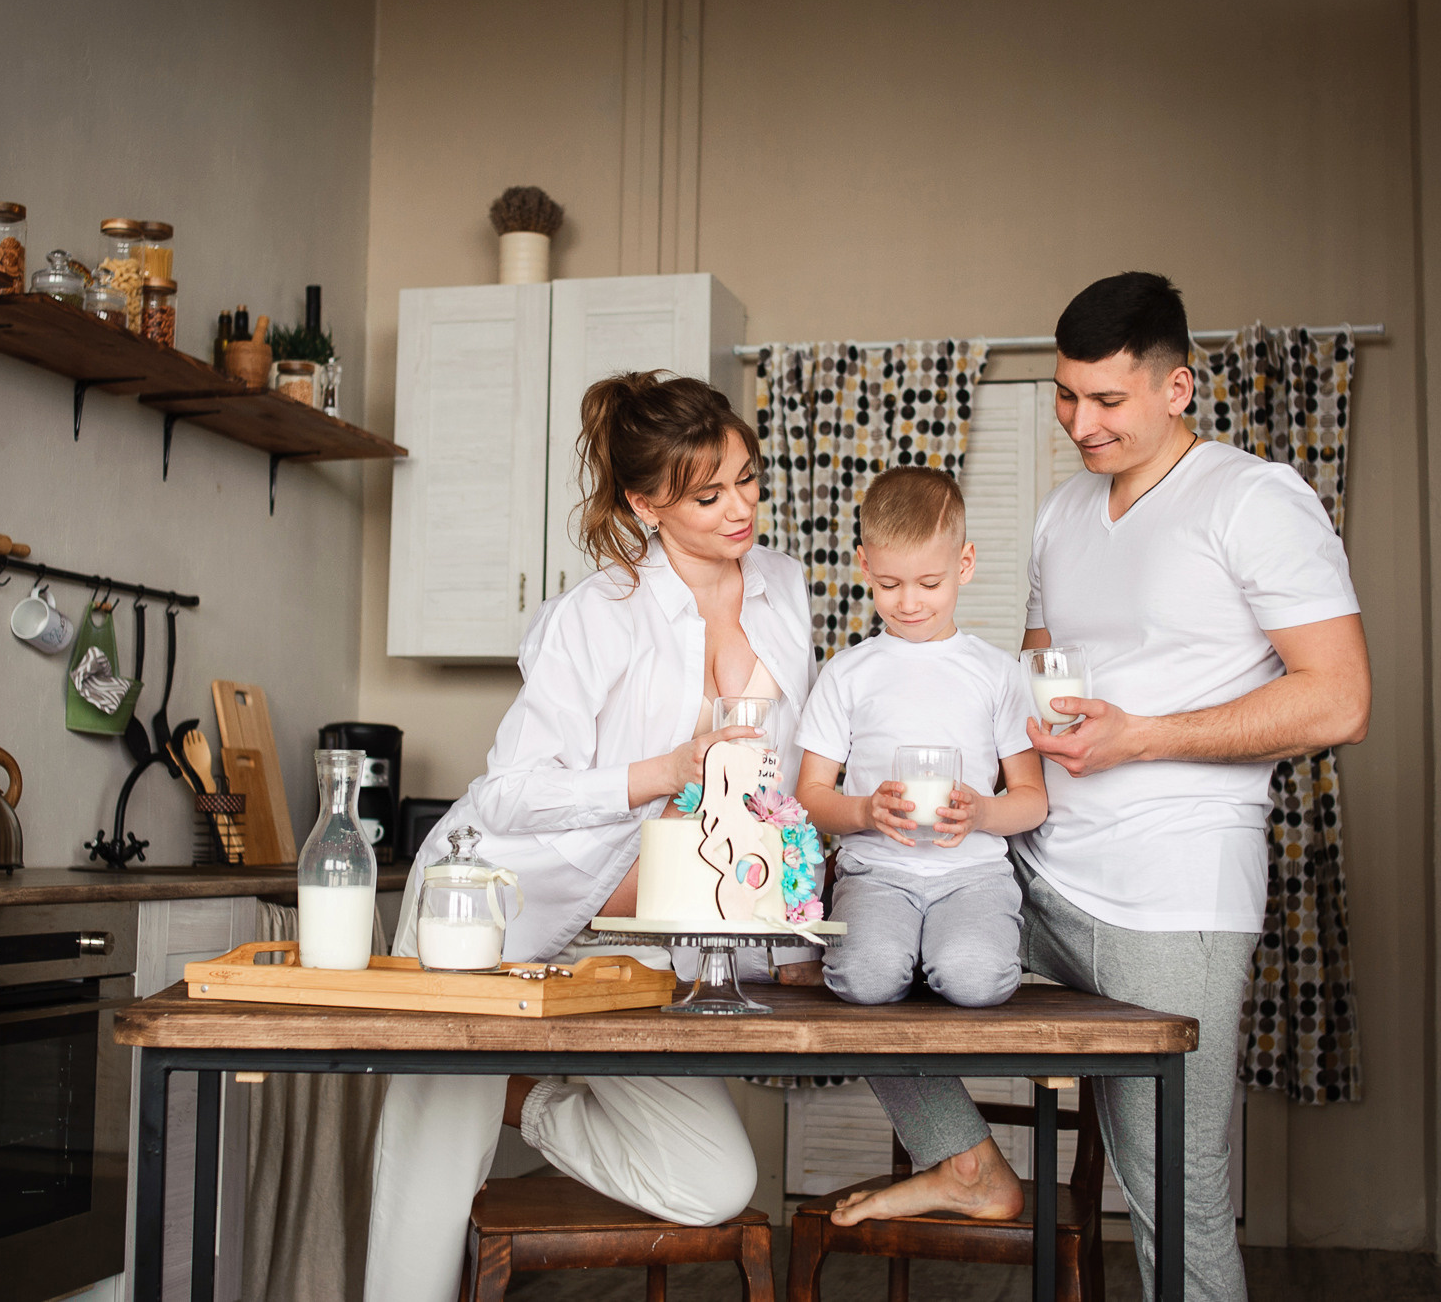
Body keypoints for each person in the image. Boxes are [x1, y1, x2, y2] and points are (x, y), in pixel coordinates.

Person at [835, 272, 1371, 1302]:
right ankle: (964, 1159)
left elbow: (1338, 700)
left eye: (1107, 401)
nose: (1081, 423)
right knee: (848, 955)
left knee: (1170, 1184)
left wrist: (1142, 736)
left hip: (1171, 895)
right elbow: (1032, 683)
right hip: (1031, 865)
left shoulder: (1254, 500)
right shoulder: (1060, 513)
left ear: (1176, 386)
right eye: (1065, 398)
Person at [364, 371, 820, 1302]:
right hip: (496, 915)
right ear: (646, 504)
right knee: (430, 1185)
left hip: (636, 942)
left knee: (714, 1180)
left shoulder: (784, 587)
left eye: (748, 478)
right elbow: (507, 796)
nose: (742, 508)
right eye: (708, 493)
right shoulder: (598, 613)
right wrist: (664, 767)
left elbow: (773, 780)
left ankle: (523, 1096)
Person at [793, 466, 1046, 1011]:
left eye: (930, 583)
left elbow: (1032, 800)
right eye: (889, 584)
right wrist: (864, 811)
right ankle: (899, 951)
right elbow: (809, 798)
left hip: (973, 875)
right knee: (866, 981)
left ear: (965, 564)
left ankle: (935, 950)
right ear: (864, 564)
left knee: (976, 981)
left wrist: (980, 813)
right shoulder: (848, 673)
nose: (909, 602)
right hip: (875, 873)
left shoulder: (999, 673)